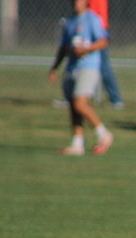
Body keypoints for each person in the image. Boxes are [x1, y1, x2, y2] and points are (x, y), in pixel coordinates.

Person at [48, 0, 114, 156]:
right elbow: (63, 47)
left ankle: (103, 134)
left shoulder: (91, 18)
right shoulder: (70, 21)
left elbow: (103, 41)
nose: (77, 3)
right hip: (72, 68)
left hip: (88, 66)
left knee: (79, 104)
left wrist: (87, 49)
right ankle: (77, 144)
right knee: (73, 106)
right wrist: (55, 67)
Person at [88, 0, 124, 109]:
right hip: (92, 28)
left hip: (97, 29)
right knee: (76, 63)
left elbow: (94, 14)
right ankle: (71, 96)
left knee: (103, 66)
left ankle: (115, 99)